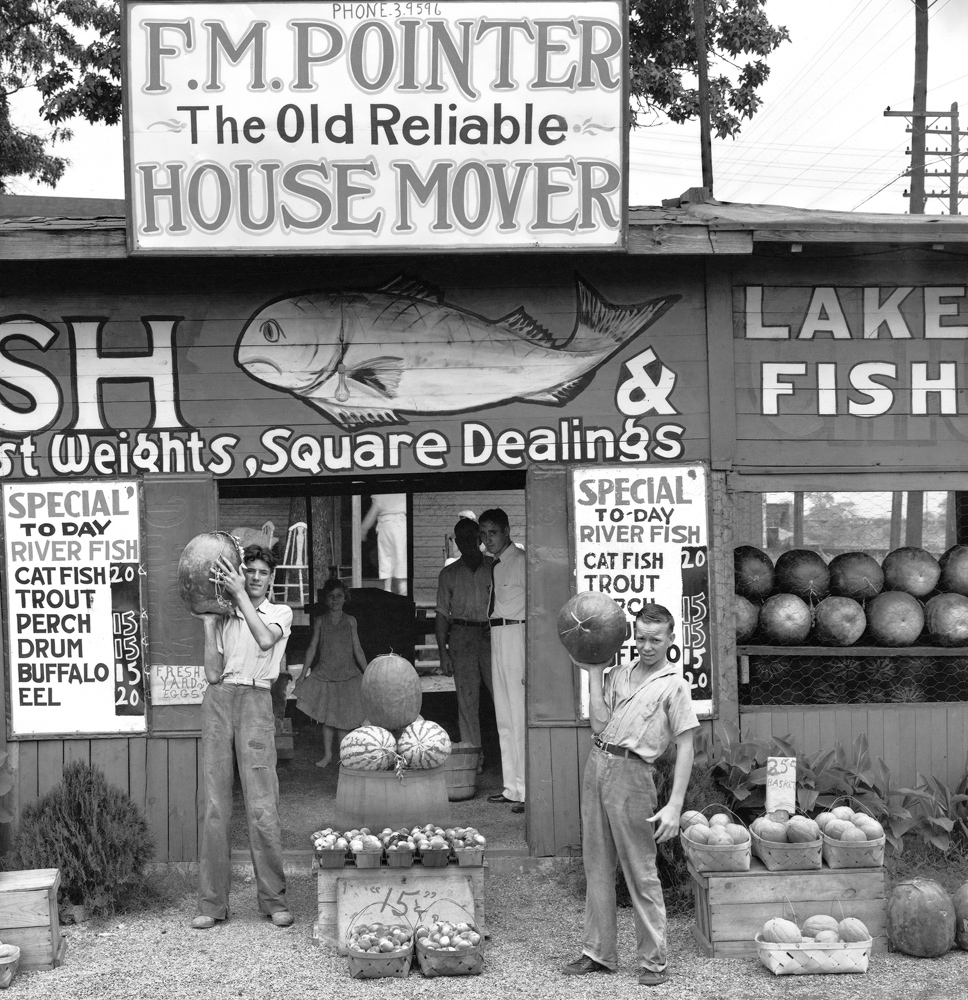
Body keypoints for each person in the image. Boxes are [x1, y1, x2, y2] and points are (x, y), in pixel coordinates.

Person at [562, 603, 700, 987]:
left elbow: (686, 746)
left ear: (671, 640)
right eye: (640, 637)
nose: (646, 645)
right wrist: (593, 673)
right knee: (597, 863)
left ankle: (654, 961)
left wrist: (674, 805)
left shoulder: (674, 685)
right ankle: (599, 953)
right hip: (598, 763)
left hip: (634, 775)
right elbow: (599, 723)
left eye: (655, 639)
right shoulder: (619, 675)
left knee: (640, 869)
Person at [193, 544, 294, 930]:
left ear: (271, 578)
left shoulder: (278, 612)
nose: (254, 577)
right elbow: (213, 675)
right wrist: (208, 624)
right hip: (220, 699)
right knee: (216, 806)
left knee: (262, 805)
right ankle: (211, 904)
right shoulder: (225, 614)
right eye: (248, 570)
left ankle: (273, 900)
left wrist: (236, 596)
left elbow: (266, 641)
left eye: (261, 572)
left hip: (255, 697)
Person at [479, 508, 526, 814]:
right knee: (504, 715)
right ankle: (512, 787)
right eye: (483, 533)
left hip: (517, 634)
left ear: (507, 530)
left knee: (519, 713)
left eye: (492, 532)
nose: (487, 539)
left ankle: (527, 789)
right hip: (497, 635)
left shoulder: (521, 562)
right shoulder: (494, 566)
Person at [293, 577, 368, 768]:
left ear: (345, 598)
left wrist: (367, 672)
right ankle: (327, 755)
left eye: (339, 596)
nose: (335, 600)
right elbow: (312, 647)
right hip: (326, 674)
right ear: (325, 599)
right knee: (328, 719)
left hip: (347, 674)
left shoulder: (351, 621)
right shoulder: (320, 621)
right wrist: (303, 673)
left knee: (343, 720)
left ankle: (343, 755)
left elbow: (357, 648)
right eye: (331, 596)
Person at [435, 517, 493, 753]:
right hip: (462, 635)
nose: (467, 542)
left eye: (472, 537)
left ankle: (511, 758)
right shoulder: (449, 573)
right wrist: (443, 653)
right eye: (462, 538)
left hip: (492, 637)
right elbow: (441, 614)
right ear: (456, 541)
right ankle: (473, 757)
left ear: (479, 538)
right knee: (467, 701)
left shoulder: (495, 566)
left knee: (503, 696)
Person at [361, 493, 408, 595]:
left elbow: (372, 514)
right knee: (401, 556)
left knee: (386, 556)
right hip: (401, 525)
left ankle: (388, 588)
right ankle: (402, 587)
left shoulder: (382, 495)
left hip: (386, 525)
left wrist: (363, 530)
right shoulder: (402, 494)